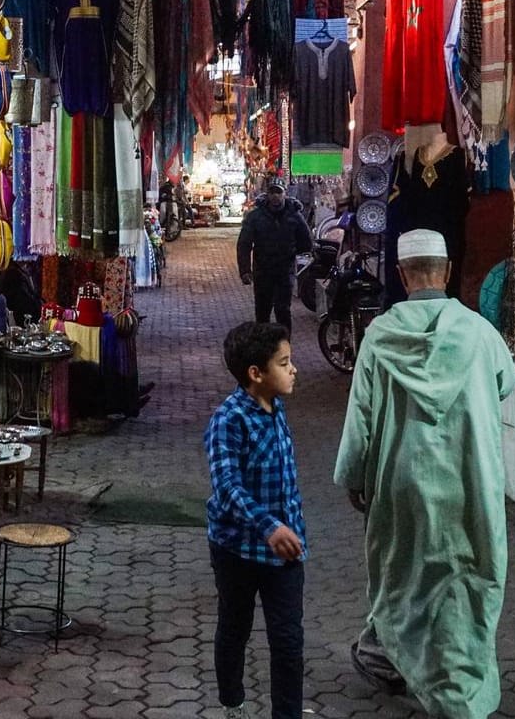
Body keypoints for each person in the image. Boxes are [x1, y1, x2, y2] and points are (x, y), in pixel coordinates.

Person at [335, 229, 515, 719]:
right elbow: (507, 383)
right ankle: (458, 682)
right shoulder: (479, 333)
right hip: (470, 480)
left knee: (405, 576)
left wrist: (353, 476)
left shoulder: (379, 335)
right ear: (448, 270)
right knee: (465, 577)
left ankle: (396, 659)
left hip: (402, 482)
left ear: (400, 274)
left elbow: (361, 418)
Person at [205, 322, 306, 719]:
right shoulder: (228, 420)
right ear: (255, 373)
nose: (294, 369)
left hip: (284, 551)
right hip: (237, 550)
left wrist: (289, 528)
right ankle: (233, 703)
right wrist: (269, 526)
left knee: (288, 640)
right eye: (284, 363)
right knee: (235, 627)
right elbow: (227, 487)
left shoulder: (275, 407)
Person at [236, 181, 311, 328]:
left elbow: (306, 241)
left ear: (285, 194)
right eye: (272, 192)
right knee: (262, 312)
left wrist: (295, 253)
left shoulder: (294, 216)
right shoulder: (255, 217)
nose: (275, 196)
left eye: (279, 192)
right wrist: (245, 271)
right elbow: (244, 244)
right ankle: (263, 347)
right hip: (262, 270)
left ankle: (283, 346)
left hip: (285, 270)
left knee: (283, 310)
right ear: (267, 194)